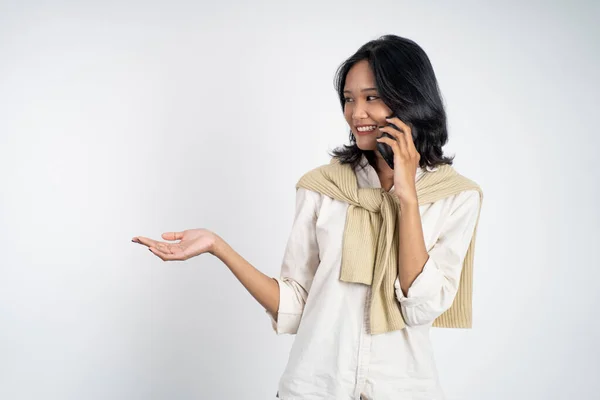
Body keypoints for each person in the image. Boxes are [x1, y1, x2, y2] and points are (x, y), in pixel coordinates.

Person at [132, 34, 483, 400]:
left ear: (410, 99)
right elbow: (296, 306)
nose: (356, 113)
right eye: (349, 99)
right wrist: (218, 247)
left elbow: (421, 306)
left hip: (404, 389)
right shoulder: (322, 187)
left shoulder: (456, 196)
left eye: (371, 97)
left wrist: (407, 198)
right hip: (314, 388)